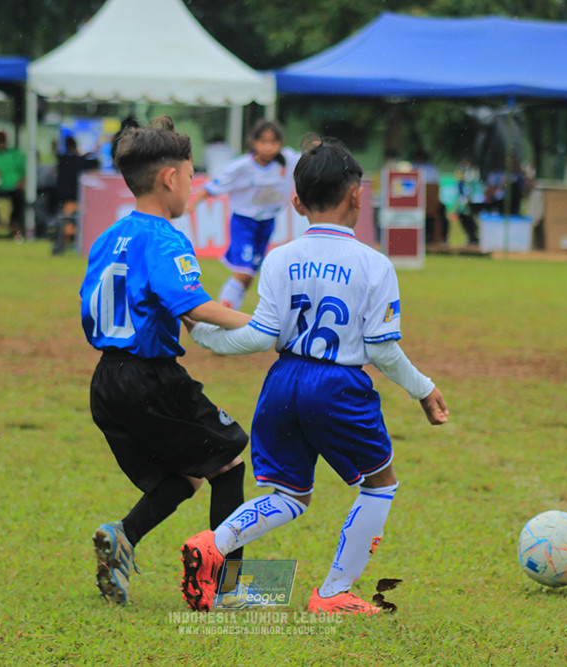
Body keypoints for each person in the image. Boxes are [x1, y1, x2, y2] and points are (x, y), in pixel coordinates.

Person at [178, 137, 449, 615]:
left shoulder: (280, 258)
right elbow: (383, 349)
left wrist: (203, 337)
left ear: (297, 201)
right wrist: (423, 389)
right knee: (380, 482)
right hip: (339, 386)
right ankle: (332, 593)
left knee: (290, 494)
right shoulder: (375, 264)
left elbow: (260, 336)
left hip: (282, 382)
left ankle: (212, 543)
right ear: (358, 195)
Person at [80, 116, 253, 607]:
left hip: (108, 380)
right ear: (171, 178)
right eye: (192, 175)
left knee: (185, 477)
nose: (193, 185)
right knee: (229, 464)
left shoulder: (108, 237)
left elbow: (125, 302)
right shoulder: (166, 238)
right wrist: (264, 325)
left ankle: (124, 536)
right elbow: (195, 306)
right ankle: (225, 587)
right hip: (150, 377)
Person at [186, 119, 300, 310]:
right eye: (263, 141)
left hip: (267, 223)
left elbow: (310, 161)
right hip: (244, 223)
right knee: (243, 272)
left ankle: (230, 314)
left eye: (273, 142)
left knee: (250, 276)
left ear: (280, 143)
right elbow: (214, 187)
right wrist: (192, 204)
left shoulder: (288, 160)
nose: (268, 147)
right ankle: (220, 316)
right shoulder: (241, 166)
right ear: (254, 142)